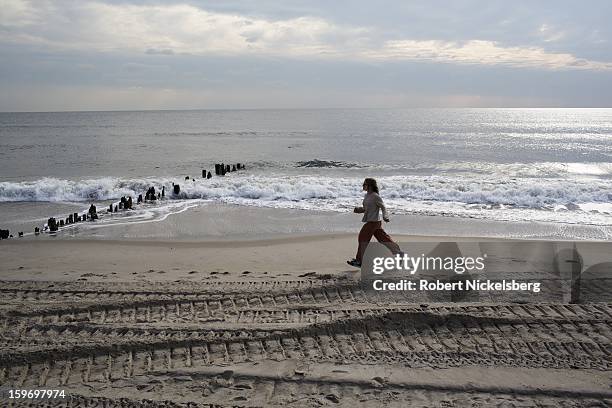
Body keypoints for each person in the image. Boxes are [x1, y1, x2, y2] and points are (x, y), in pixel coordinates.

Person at [347, 178, 402, 267]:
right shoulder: (367, 196)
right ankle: (399, 253)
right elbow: (366, 209)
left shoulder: (375, 196)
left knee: (362, 238)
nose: (363, 186)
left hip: (373, 222)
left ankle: (359, 261)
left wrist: (385, 216)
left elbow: (383, 207)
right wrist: (359, 210)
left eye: (364, 184)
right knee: (383, 239)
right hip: (375, 222)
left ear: (370, 186)